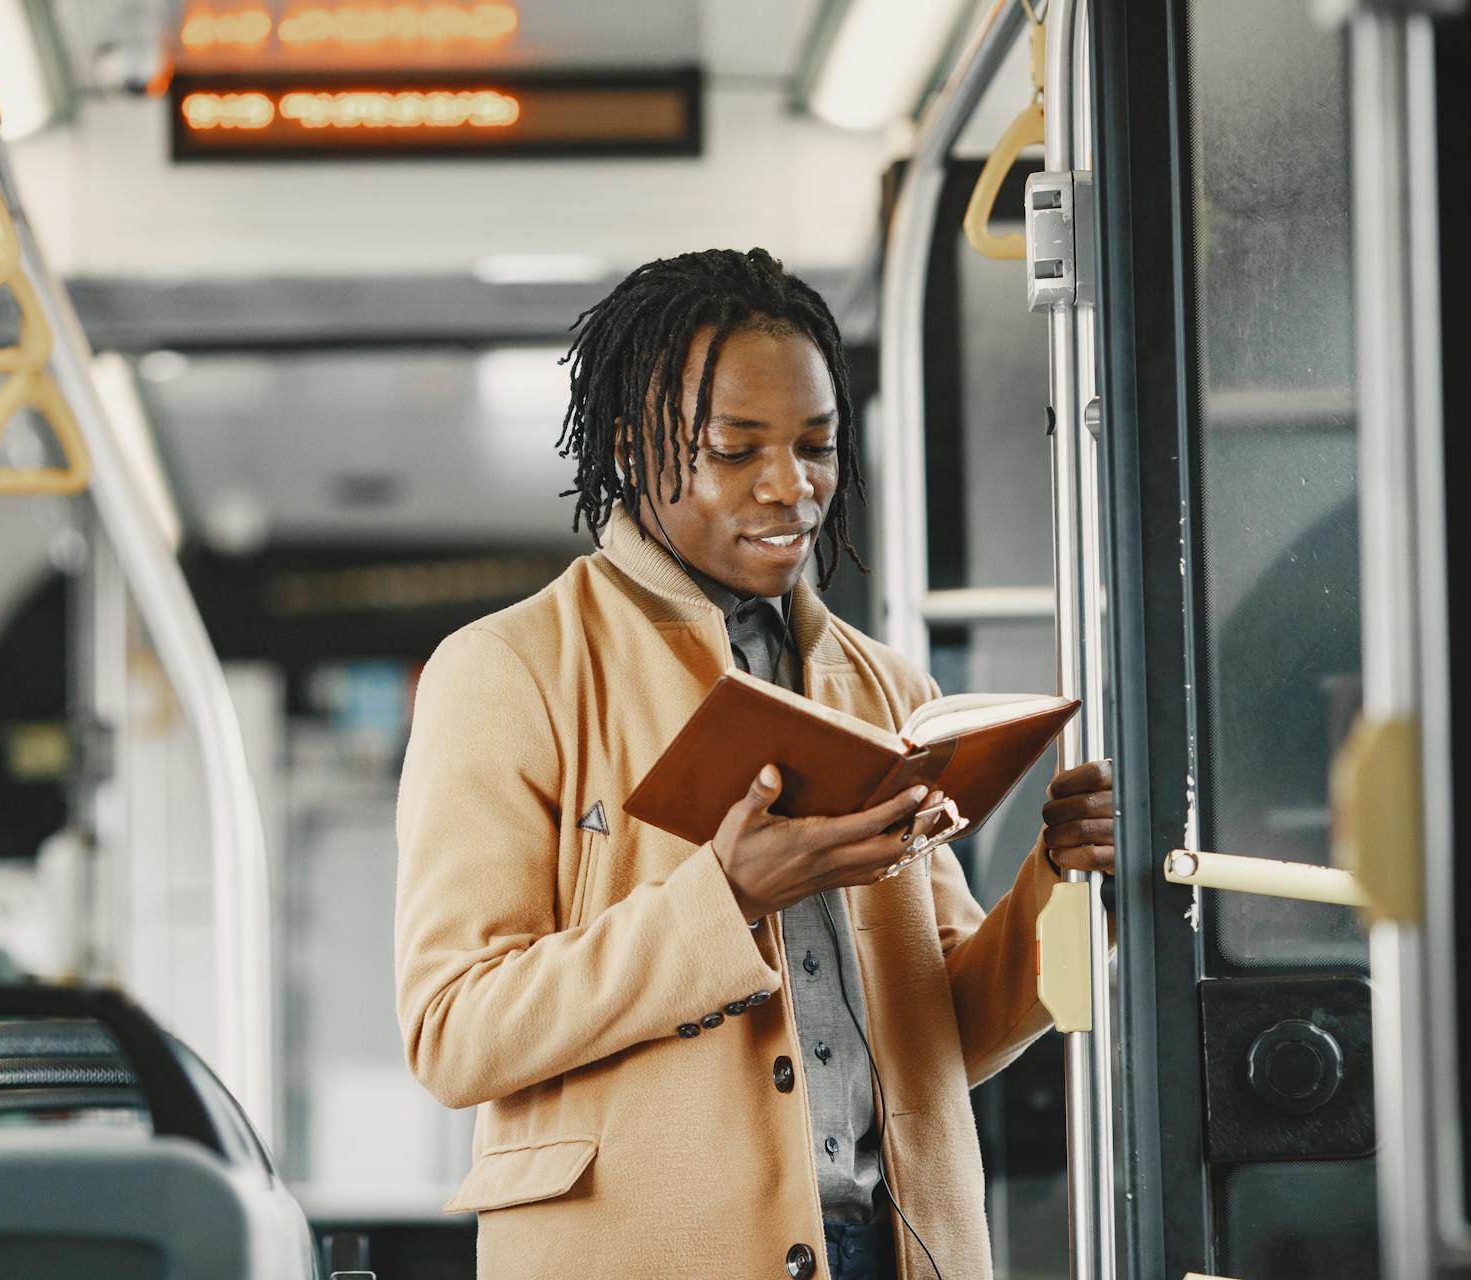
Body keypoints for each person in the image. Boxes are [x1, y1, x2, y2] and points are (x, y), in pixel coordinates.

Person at [395, 248, 1115, 1280]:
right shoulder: (510, 670)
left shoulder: (890, 690)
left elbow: (950, 1029)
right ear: (633, 446)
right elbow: (454, 1031)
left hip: (900, 1250)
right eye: (737, 450)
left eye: (818, 446)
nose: (793, 487)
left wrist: (1068, 881)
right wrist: (723, 897)